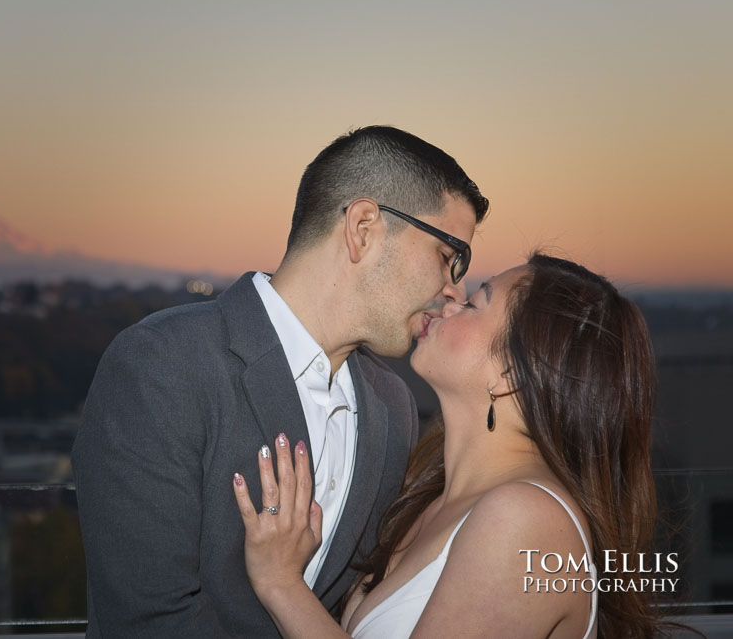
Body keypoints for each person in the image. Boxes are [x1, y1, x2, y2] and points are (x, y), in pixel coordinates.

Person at [72, 125, 489, 637]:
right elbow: (144, 623)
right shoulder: (162, 364)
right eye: (450, 257)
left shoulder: (393, 406)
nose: (455, 291)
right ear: (363, 228)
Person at [234, 253, 666, 638]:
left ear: (511, 375)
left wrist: (282, 584)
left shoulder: (526, 520)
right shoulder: (430, 501)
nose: (450, 301)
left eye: (476, 302)